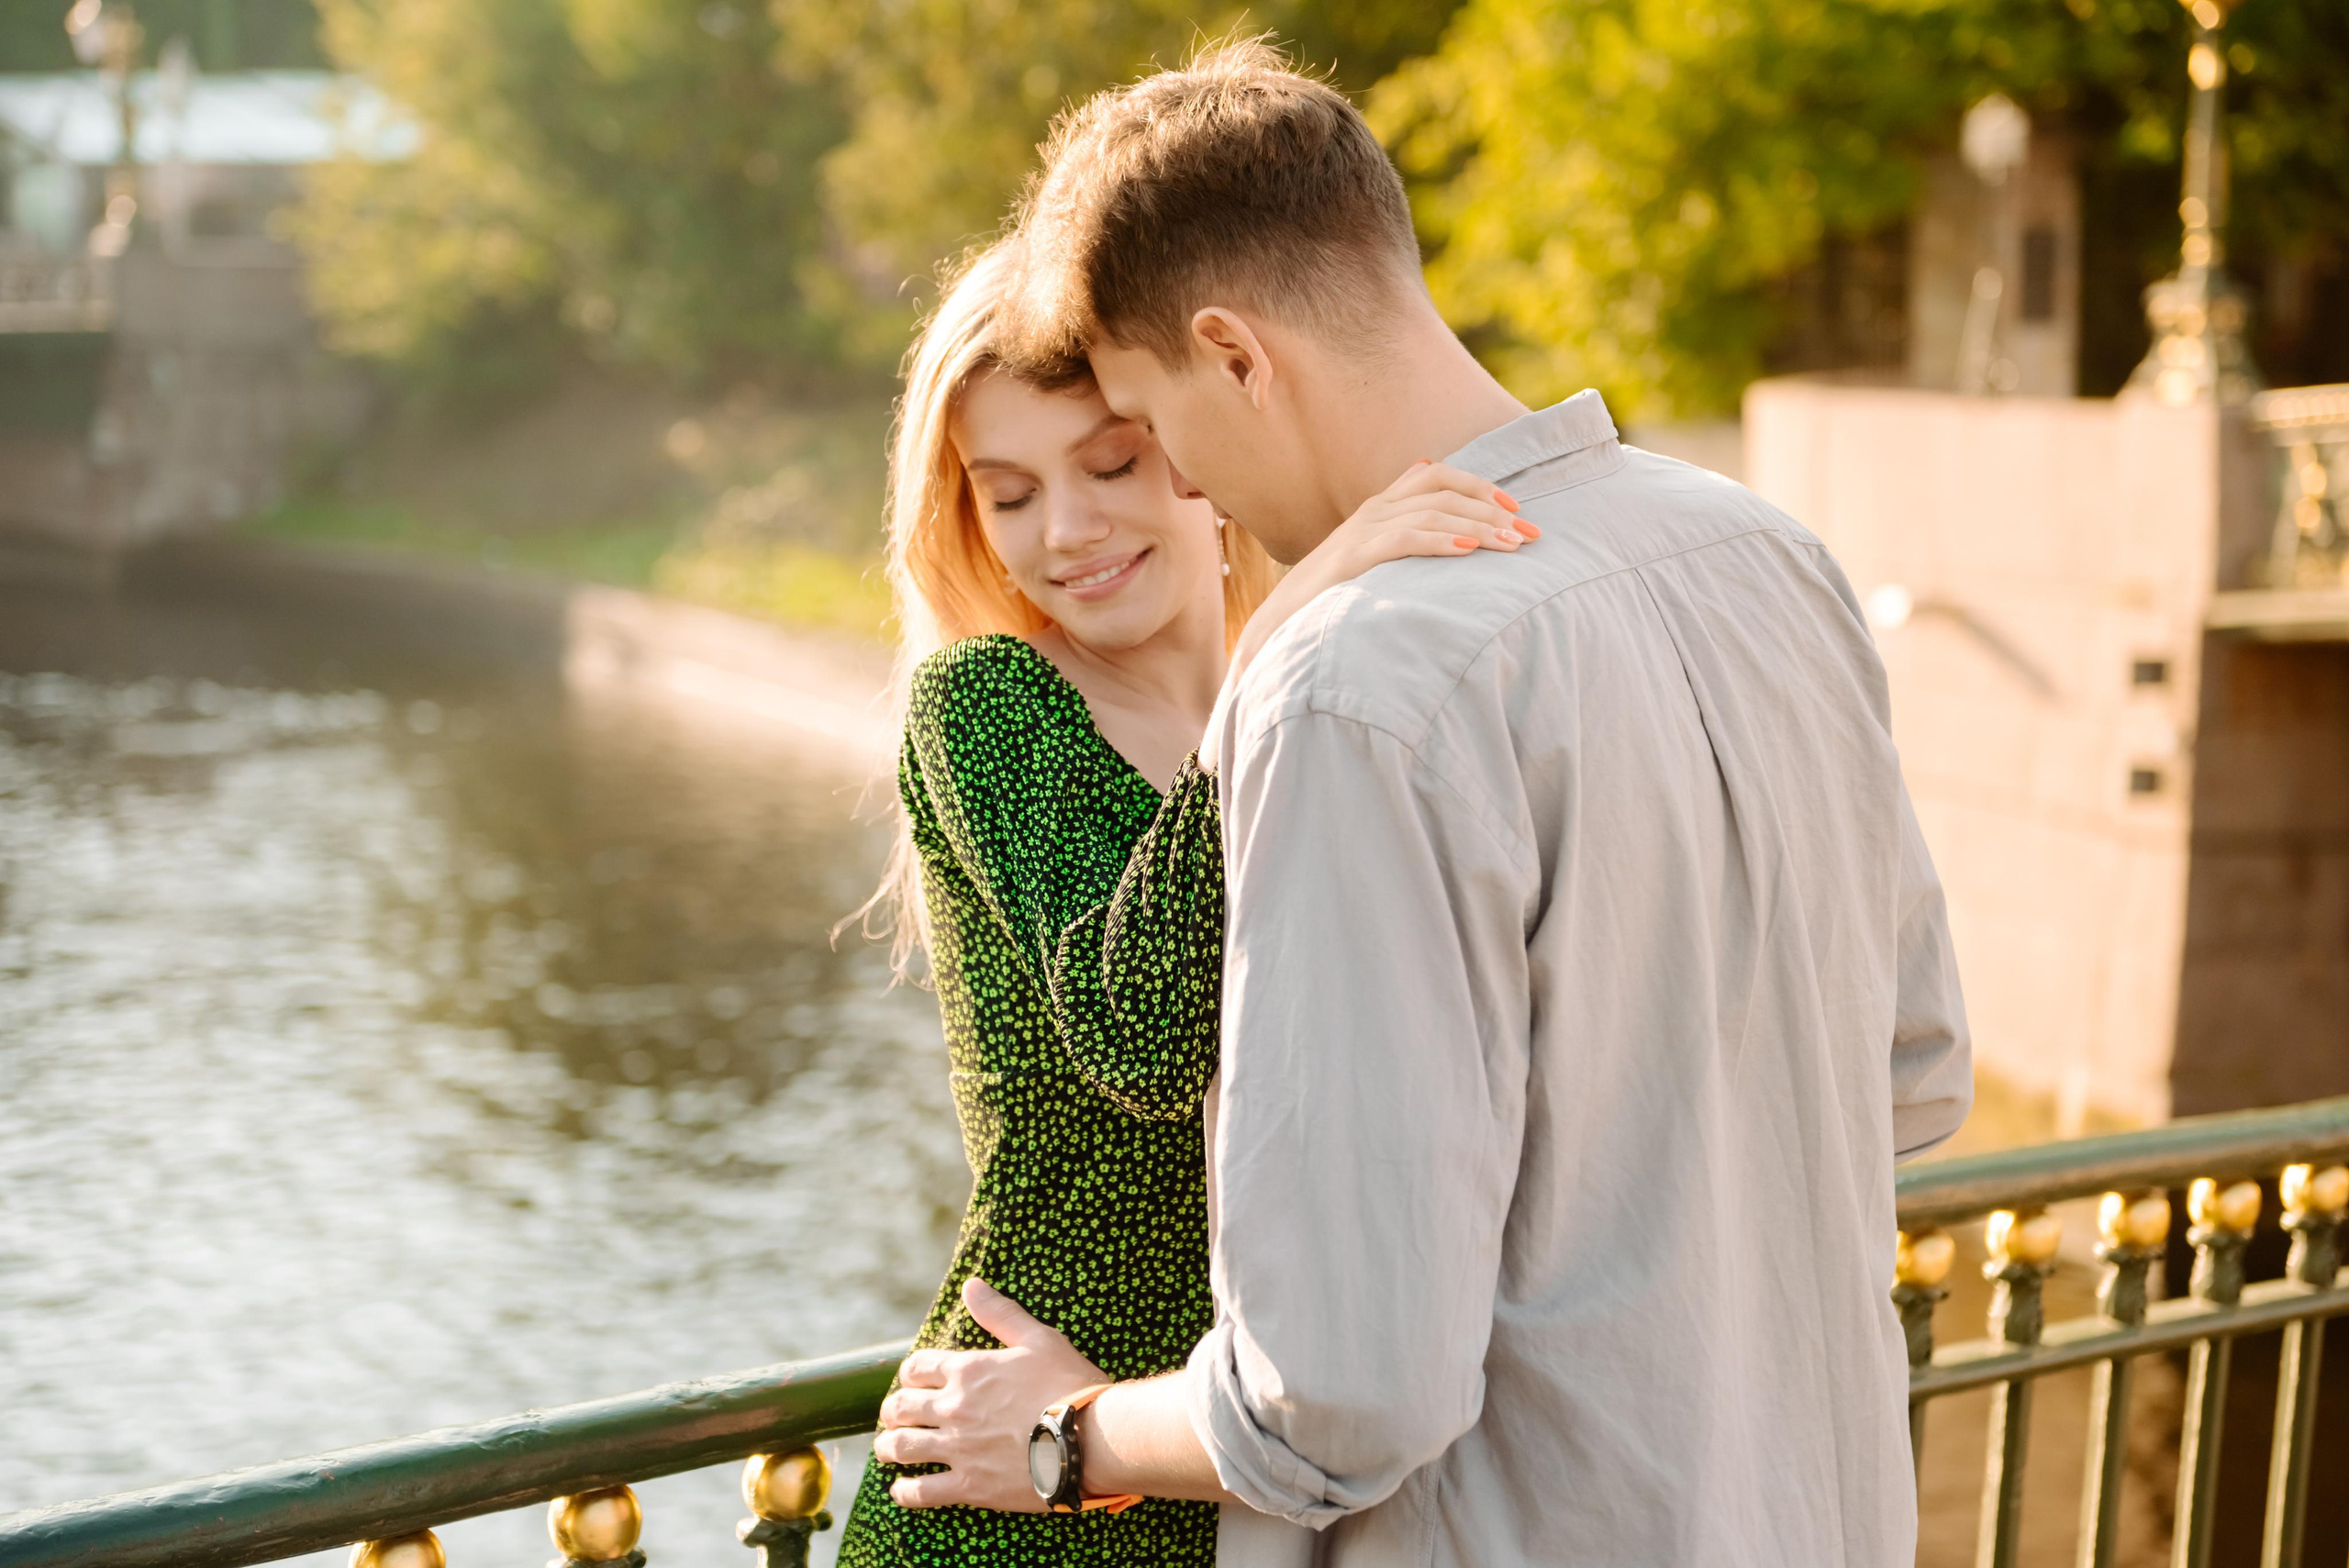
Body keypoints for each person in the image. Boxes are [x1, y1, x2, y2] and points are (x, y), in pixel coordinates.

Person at [874, 40, 1975, 1567]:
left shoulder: (1347, 686)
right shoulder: (1764, 554)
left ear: (1237, 357)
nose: (1183, 493)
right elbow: (1912, 1067)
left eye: (1144, 434)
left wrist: (1065, 1435)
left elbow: (1342, 1389)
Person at [834, 241, 1531, 1568]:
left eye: (1109, 464)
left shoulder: (1314, 707)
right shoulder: (989, 704)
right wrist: (1288, 634)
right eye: (1011, 494)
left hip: (1251, 1456)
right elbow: (1140, 1024)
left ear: (1192, 451)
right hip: (1020, 1479)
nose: (1068, 530)